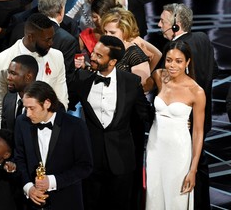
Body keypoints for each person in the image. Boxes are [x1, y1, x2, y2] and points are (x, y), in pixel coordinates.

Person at [68, 35, 153, 210]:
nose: (92, 57)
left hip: (121, 161)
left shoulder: (131, 82)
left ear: (113, 61)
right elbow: (65, 104)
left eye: (99, 56)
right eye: (94, 53)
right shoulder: (82, 79)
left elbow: (146, 114)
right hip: (90, 160)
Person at [158, 3, 218, 209]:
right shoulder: (202, 39)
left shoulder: (174, 52)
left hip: (183, 124)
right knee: (200, 167)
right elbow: (214, 70)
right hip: (203, 117)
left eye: (162, 22)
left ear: (176, 26)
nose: (159, 25)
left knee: (184, 172)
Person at [144, 40, 206, 210]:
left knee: (176, 200)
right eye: (169, 60)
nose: (172, 65)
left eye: (178, 61)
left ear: (187, 62)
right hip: (155, 148)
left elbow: (198, 133)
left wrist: (193, 170)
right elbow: (138, 89)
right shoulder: (158, 76)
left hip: (179, 152)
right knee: (153, 196)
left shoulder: (197, 92)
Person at [14, 80, 93, 210]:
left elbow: (85, 166)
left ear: (47, 103)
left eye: (32, 108)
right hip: (32, 202)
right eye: (25, 108)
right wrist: (28, 188)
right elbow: (19, 158)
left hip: (66, 200)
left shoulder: (75, 126)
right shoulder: (22, 123)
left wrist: (52, 181)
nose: (27, 114)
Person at [0, 13, 69, 129]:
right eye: (47, 39)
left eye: (52, 38)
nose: (51, 43)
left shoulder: (57, 57)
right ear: (31, 37)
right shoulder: (1, 61)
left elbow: (61, 98)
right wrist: (8, 136)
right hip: (16, 132)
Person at [101, 7, 151, 84]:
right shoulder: (108, 49)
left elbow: (142, 88)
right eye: (105, 31)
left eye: (112, 32)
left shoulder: (135, 55)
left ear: (125, 31)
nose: (107, 35)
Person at [1, 55, 38, 132]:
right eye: (8, 72)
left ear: (28, 77)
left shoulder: (44, 103)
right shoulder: (8, 98)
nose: (8, 77)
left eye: (13, 73)